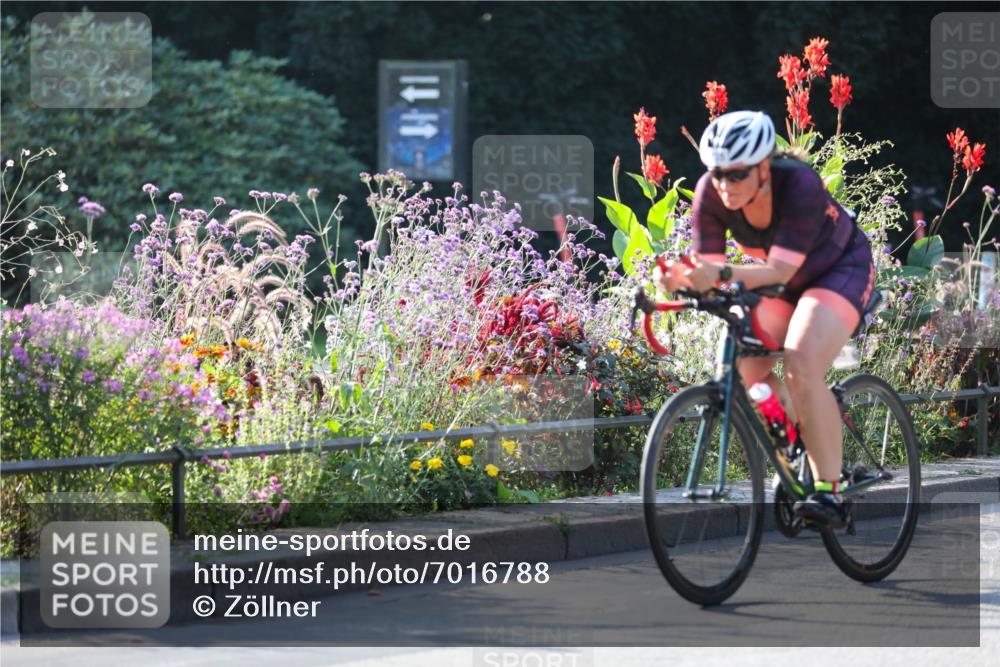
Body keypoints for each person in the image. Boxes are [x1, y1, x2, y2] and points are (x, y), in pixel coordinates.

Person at [653, 110, 876, 527]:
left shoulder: (799, 183)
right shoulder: (710, 193)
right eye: (718, 173)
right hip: (783, 284)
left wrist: (716, 274)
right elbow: (709, 273)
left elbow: (779, 271)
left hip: (838, 269)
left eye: (737, 174)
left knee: (801, 363)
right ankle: (797, 441)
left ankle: (830, 491)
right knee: (747, 367)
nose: (725, 184)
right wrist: (679, 280)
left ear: (763, 168)